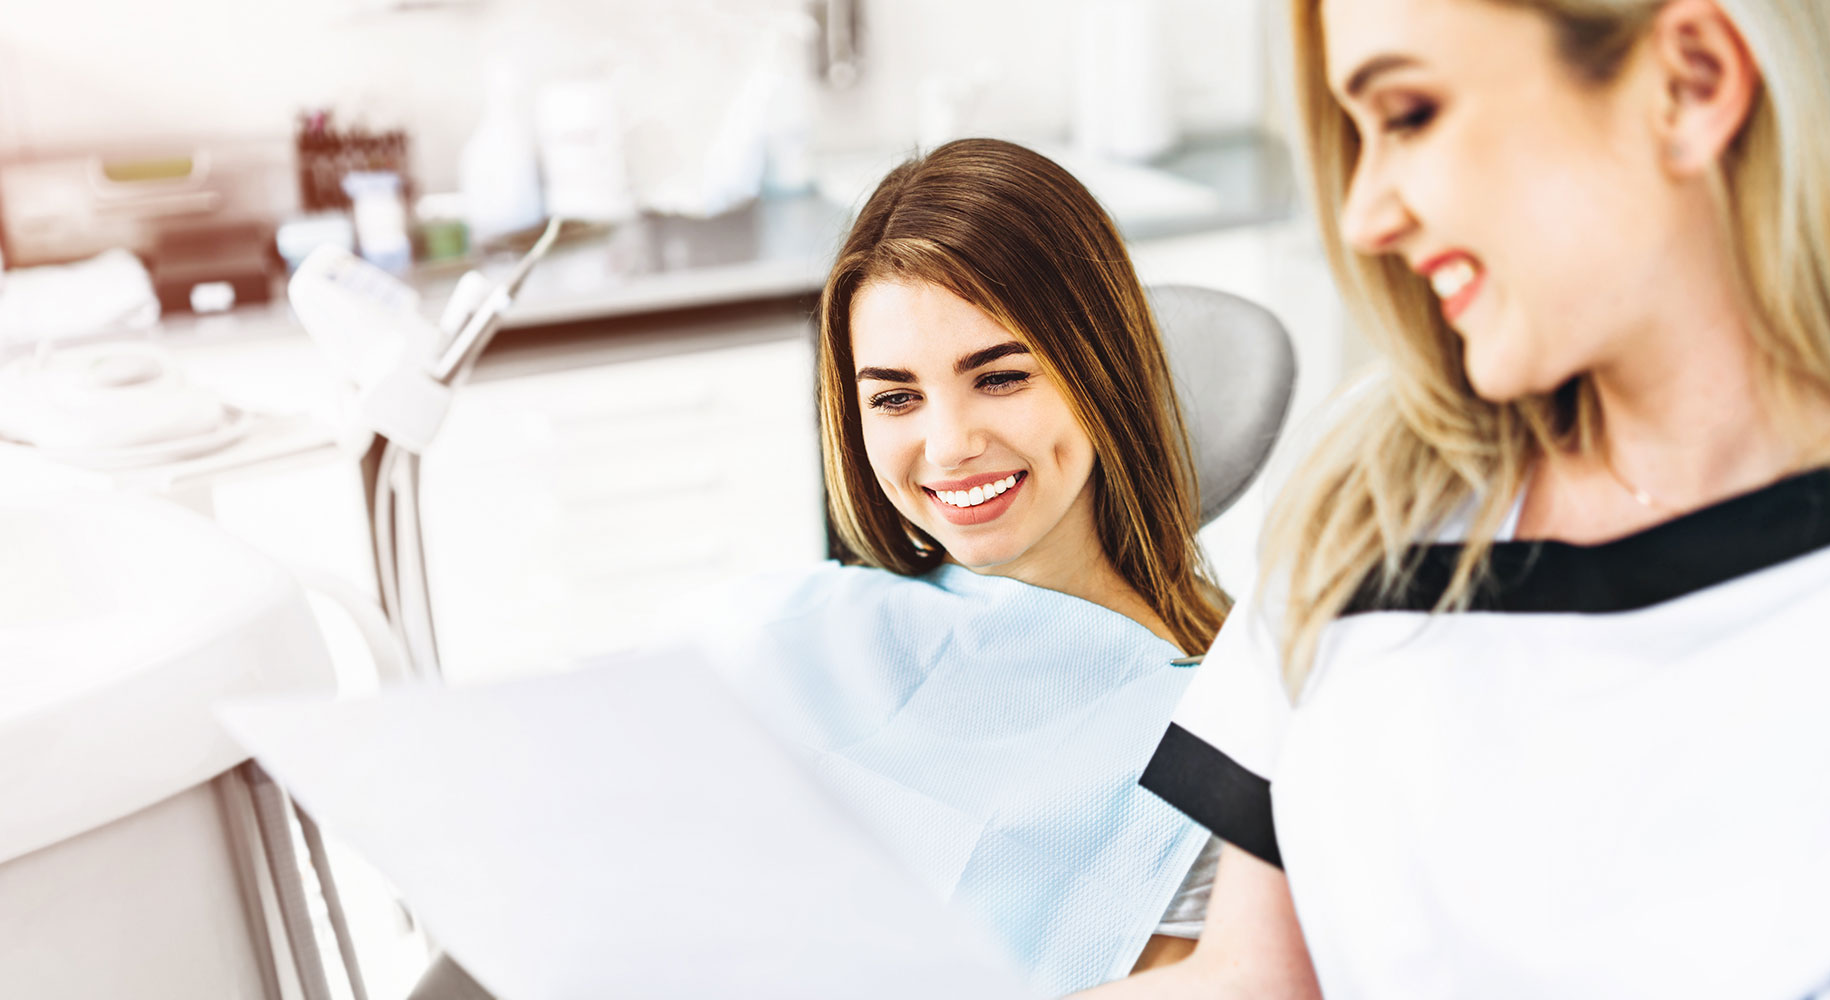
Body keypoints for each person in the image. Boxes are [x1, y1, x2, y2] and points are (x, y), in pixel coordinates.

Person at [1090, 1, 1830, 997]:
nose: (1362, 215)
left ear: (1690, 82)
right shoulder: (1370, 492)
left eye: (1408, 113)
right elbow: (1250, 981)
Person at [408, 137, 1232, 1000]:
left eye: (1000, 378)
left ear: (1099, 365)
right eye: (896, 398)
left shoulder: (1210, 742)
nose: (949, 445)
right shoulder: (776, 632)